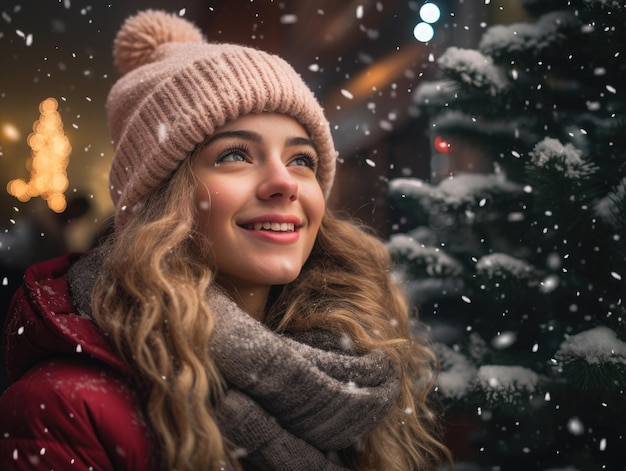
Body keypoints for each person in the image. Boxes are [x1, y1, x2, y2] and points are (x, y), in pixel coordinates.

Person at [0, 9, 452, 471]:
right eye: (236, 154)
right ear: (162, 199)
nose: (285, 182)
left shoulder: (359, 366)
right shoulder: (63, 408)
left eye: (302, 160)